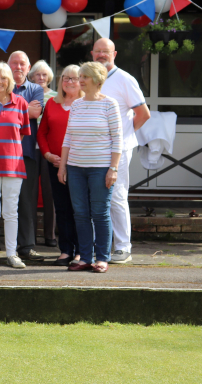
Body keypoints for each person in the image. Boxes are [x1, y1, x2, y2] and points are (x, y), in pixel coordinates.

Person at [58, 62, 122, 274]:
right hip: (76, 168)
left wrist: (113, 168)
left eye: (84, 76)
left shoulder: (110, 104)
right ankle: (85, 258)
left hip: (100, 168)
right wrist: (63, 166)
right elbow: (68, 137)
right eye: (79, 76)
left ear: (97, 79)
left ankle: (102, 258)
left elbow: (117, 139)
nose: (80, 80)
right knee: (80, 214)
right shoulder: (76, 104)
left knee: (100, 213)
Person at [91, 38, 150, 264]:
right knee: (95, 198)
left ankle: (123, 247)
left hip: (119, 150)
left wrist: (123, 135)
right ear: (92, 53)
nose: (101, 55)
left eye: (105, 52)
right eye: (98, 52)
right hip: (93, 150)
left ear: (114, 53)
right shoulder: (88, 77)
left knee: (116, 196)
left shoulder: (125, 79)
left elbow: (143, 114)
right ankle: (99, 247)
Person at [0, 63, 31, 269]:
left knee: (11, 211)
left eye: (4, 78)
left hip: (13, 165)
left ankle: (12, 254)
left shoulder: (21, 102)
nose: (0, 82)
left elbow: (20, 134)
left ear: (11, 80)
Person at [38, 64, 83, 266]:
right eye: (65, 77)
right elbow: (42, 133)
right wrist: (48, 155)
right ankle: (65, 250)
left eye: (74, 78)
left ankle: (81, 251)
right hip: (55, 165)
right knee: (62, 208)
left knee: (80, 209)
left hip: (79, 165)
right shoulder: (52, 104)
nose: (69, 81)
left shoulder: (86, 103)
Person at [8, 51, 45, 261]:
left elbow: (35, 113)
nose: (18, 67)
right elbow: (26, 112)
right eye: (14, 63)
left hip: (26, 152)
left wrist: (8, 108)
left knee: (25, 200)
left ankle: (27, 245)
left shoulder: (36, 89)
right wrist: (23, 108)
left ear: (28, 68)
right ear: (8, 65)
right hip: (0, 152)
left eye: (22, 64)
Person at [29, 59, 58, 248]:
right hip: (31, 146)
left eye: (44, 74)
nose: (41, 77)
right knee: (30, 193)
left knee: (51, 193)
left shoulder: (56, 97)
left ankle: (50, 235)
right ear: (31, 77)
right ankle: (29, 235)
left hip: (49, 148)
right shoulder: (28, 93)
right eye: (37, 74)